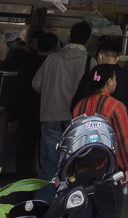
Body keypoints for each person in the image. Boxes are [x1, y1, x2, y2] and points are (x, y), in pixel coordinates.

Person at [33, 21, 92, 203]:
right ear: (88, 40)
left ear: (69, 38)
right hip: (77, 120)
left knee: (49, 164)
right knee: (76, 165)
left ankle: (44, 203)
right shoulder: (90, 61)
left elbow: (36, 85)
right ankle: (71, 204)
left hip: (50, 115)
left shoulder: (52, 58)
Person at [71, 65, 128, 218]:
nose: (116, 82)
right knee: (110, 212)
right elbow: (122, 140)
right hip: (106, 172)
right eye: (115, 79)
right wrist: (127, 168)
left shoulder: (80, 105)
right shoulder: (116, 107)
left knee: (83, 212)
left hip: (80, 172)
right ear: (109, 81)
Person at [9, 32, 58, 183]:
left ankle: (22, 193)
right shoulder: (55, 66)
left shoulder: (27, 63)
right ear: (55, 48)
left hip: (26, 115)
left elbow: (15, 91)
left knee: (24, 156)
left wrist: (12, 117)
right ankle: (43, 191)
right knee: (47, 157)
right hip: (49, 116)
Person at [75, 41, 128, 117]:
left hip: (91, 122)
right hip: (119, 120)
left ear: (99, 56)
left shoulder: (91, 75)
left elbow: (77, 102)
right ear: (117, 58)